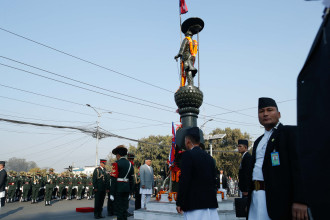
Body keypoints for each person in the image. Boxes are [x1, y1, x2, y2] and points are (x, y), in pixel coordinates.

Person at [247, 97, 307, 220]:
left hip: (278, 200)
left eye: (269, 110)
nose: (265, 114)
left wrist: (301, 200)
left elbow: (300, 167)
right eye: (261, 111)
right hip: (256, 198)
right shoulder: (258, 141)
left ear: (278, 114)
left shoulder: (289, 133)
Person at [176, 127, 219, 219]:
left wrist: (179, 202)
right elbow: (214, 180)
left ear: (187, 141)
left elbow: (184, 181)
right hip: (210, 204)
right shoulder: (210, 158)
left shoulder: (188, 155)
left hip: (194, 205)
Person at [110, 145, 134, 220]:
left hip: (118, 188)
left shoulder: (116, 163)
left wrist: (111, 193)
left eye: (116, 155)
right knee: (124, 208)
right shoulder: (130, 164)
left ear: (118, 155)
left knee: (119, 209)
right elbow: (131, 180)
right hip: (126, 188)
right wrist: (131, 192)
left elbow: (113, 179)